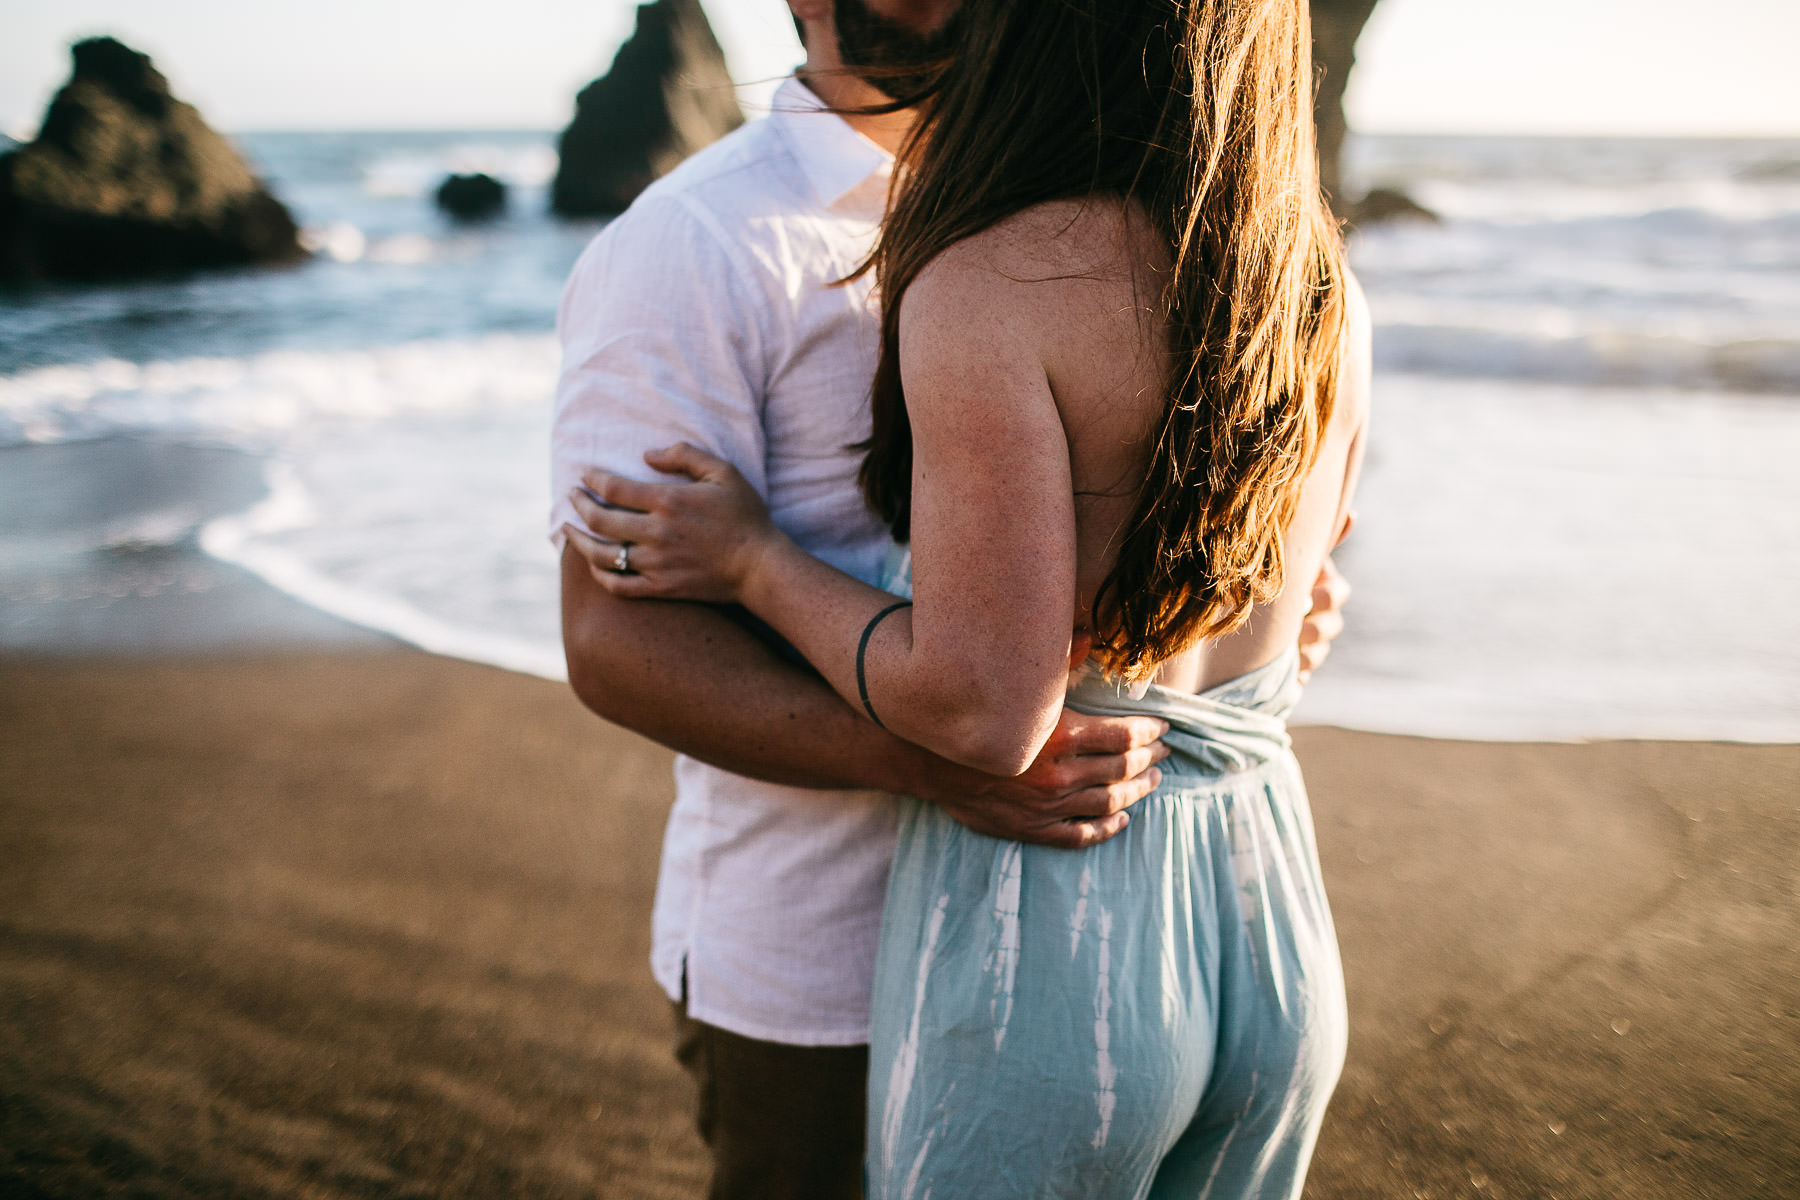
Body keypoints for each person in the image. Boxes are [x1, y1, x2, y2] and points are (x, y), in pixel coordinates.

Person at [551, 1, 1354, 1195]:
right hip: (820, 963)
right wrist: (934, 761)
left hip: (1099, 922)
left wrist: (1245, 606)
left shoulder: (1089, 218)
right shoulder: (695, 243)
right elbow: (610, 640)